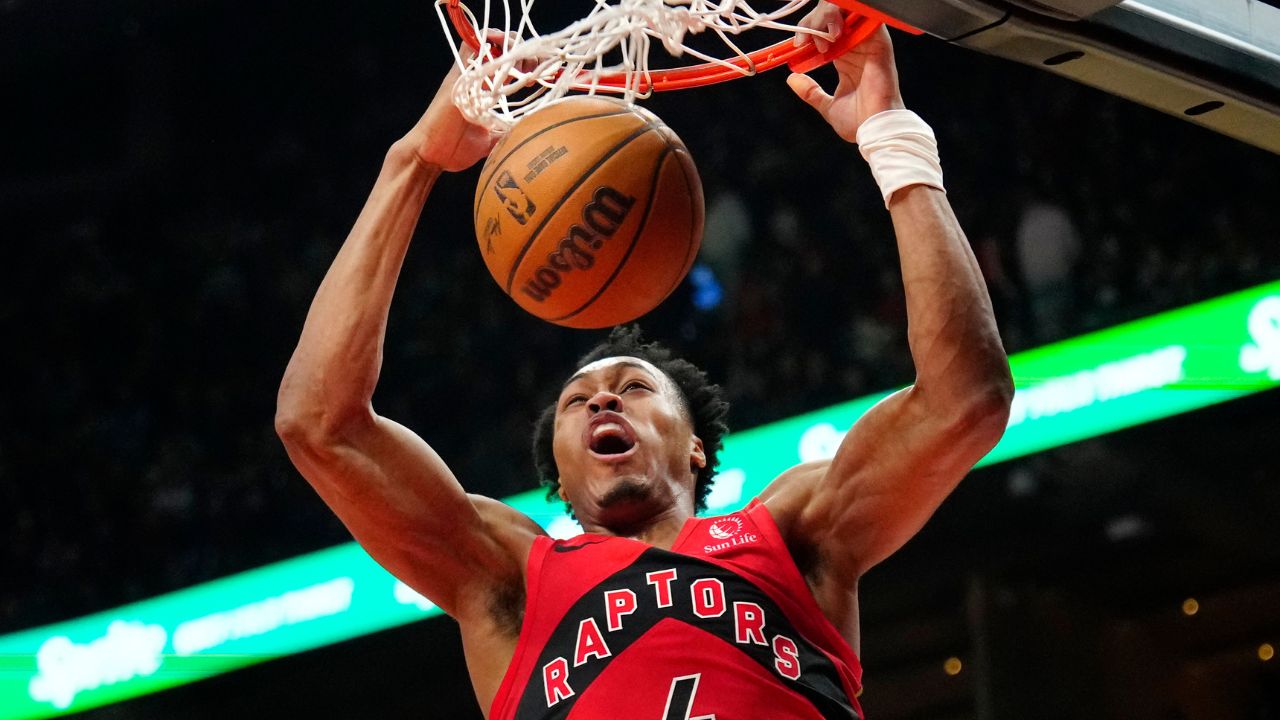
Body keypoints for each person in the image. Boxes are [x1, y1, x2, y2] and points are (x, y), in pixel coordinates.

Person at [275, 7, 1013, 718]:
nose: (603, 401)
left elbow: (964, 401)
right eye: (578, 401)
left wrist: (890, 134)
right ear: (558, 474)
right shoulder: (509, 578)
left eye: (633, 388)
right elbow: (320, 424)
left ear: (695, 446)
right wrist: (413, 162)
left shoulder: (792, 535)